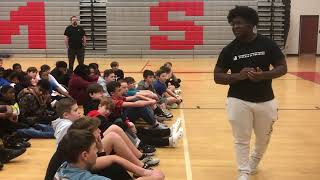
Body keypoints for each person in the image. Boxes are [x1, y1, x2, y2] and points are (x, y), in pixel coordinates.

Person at [213, 6, 287, 180]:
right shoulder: (229, 50)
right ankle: (243, 172)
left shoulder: (267, 44)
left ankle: (254, 160)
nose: (235, 27)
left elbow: (283, 67)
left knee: (263, 138)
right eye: (233, 24)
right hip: (238, 100)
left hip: (266, 100)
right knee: (241, 139)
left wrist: (263, 75)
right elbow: (217, 76)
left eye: (239, 23)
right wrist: (238, 76)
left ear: (251, 24)